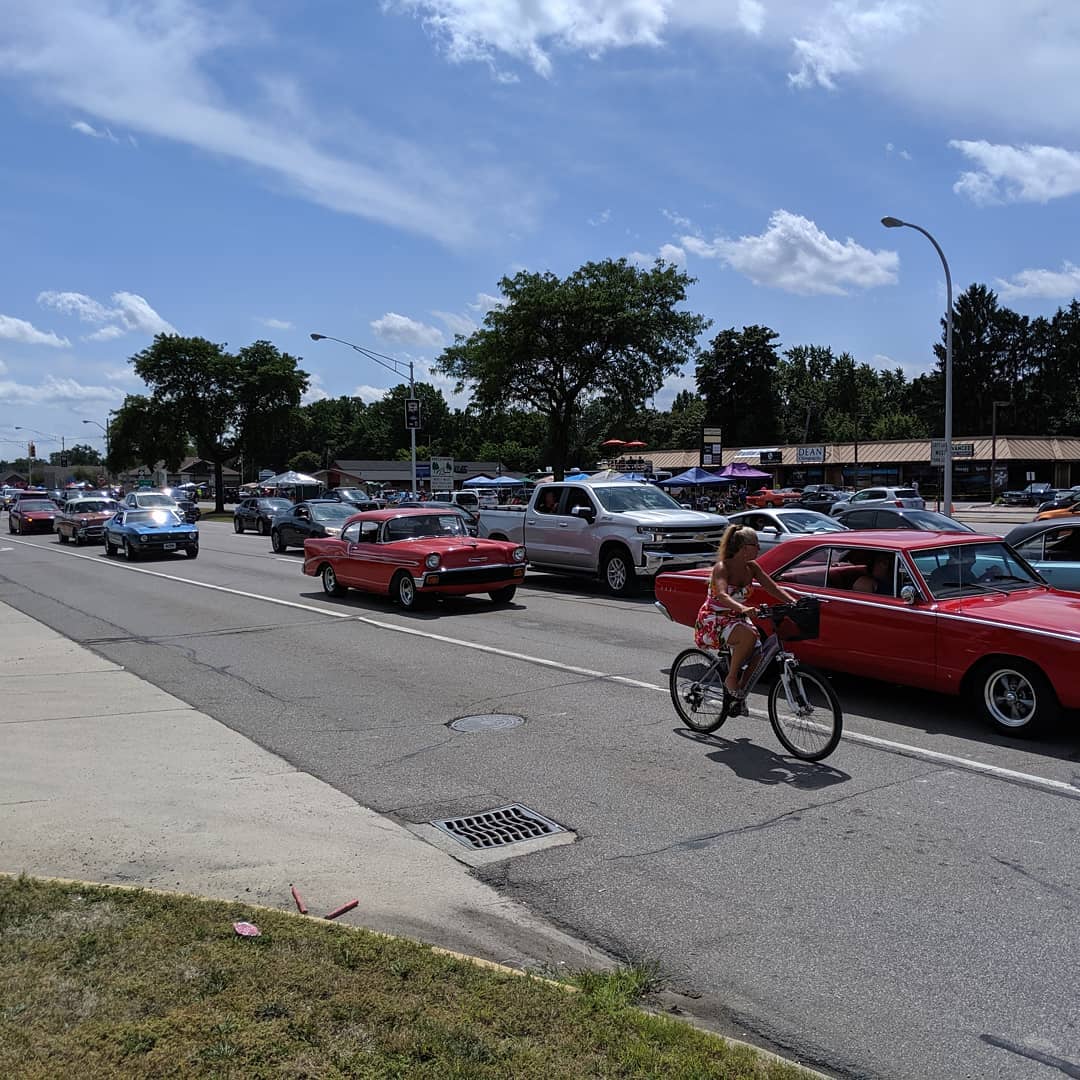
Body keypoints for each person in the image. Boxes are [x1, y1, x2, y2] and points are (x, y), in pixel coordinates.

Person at [694, 525, 796, 715]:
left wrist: (794, 602)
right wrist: (743, 608)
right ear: (744, 548)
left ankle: (738, 693)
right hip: (715, 619)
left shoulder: (752, 567)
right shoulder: (722, 567)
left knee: (761, 653)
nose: (759, 548)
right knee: (749, 636)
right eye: (755, 544)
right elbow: (723, 595)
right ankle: (731, 678)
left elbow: (773, 588)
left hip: (737, 619)